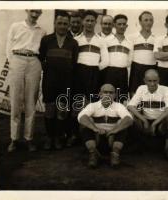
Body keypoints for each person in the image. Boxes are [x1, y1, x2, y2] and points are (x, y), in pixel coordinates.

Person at [6, 10, 46, 152]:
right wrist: (13, 63)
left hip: (34, 61)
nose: (35, 14)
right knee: (16, 101)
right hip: (17, 59)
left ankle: (29, 138)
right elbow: (8, 46)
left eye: (38, 12)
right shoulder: (16, 26)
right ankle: (14, 139)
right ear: (27, 10)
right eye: (33, 11)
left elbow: (42, 50)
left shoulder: (42, 31)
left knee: (31, 102)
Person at [39, 11, 79, 150]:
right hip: (50, 81)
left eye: (65, 24)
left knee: (62, 111)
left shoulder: (73, 43)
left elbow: (74, 63)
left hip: (66, 82)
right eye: (59, 23)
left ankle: (58, 138)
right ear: (55, 24)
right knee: (49, 110)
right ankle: (49, 138)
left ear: (68, 25)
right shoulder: (46, 40)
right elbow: (41, 58)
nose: (62, 26)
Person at [127, 69, 168, 165]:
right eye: (149, 81)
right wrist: (143, 119)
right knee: (130, 116)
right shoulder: (141, 88)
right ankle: (136, 146)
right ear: (144, 80)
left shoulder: (165, 89)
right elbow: (130, 106)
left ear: (159, 80)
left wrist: (155, 123)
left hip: (160, 122)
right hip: (145, 122)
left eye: (155, 81)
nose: (152, 84)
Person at [78, 84, 133, 168]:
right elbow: (81, 118)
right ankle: (93, 154)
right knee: (86, 123)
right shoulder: (93, 105)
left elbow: (129, 119)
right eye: (105, 92)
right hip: (96, 139)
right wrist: (95, 129)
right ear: (100, 94)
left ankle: (115, 154)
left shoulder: (119, 106)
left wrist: (115, 130)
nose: (108, 94)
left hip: (113, 140)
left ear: (115, 95)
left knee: (123, 122)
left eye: (111, 93)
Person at [74, 10, 109, 103]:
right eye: (87, 20)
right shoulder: (76, 40)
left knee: (91, 101)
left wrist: (95, 69)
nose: (89, 23)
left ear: (95, 22)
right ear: (82, 21)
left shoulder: (101, 40)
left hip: (94, 73)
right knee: (78, 100)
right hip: (79, 72)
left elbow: (106, 61)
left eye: (92, 21)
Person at [102, 14, 133, 103]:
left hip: (123, 73)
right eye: (119, 24)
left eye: (124, 24)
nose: (122, 26)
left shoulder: (130, 42)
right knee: (107, 97)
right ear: (114, 25)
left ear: (126, 26)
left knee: (121, 98)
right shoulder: (106, 40)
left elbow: (129, 61)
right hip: (109, 72)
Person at [128, 11, 157, 97]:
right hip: (136, 69)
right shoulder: (132, 37)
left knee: (149, 95)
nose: (149, 22)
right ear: (140, 22)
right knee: (134, 94)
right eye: (146, 20)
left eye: (151, 20)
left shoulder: (157, 38)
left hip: (151, 68)